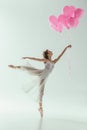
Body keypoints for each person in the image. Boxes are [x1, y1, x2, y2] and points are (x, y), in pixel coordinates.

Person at [8, 44, 72, 117]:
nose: (51, 51)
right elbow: (36, 59)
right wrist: (27, 57)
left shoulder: (54, 61)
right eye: (49, 51)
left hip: (44, 77)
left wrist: (66, 47)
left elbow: (61, 55)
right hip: (42, 74)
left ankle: (40, 108)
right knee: (30, 69)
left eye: (49, 51)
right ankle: (15, 67)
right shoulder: (46, 60)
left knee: (41, 92)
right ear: (48, 54)